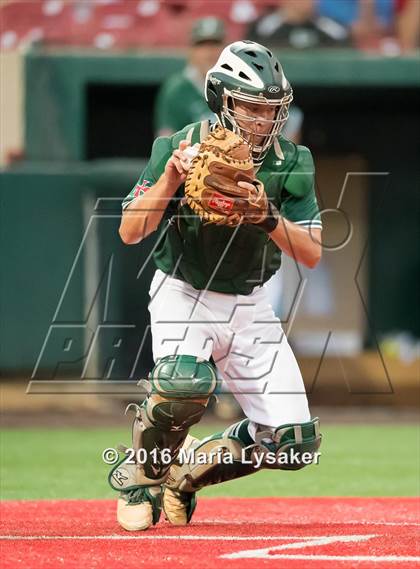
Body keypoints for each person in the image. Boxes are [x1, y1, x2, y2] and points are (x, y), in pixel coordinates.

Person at [109, 40, 323, 531]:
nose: (264, 121)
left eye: (272, 110)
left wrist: (265, 216)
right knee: (184, 386)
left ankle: (186, 474)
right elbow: (129, 231)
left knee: (294, 443)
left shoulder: (294, 160)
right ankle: (144, 471)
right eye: (251, 107)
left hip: (250, 299)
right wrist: (168, 180)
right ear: (222, 100)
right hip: (184, 288)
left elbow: (310, 251)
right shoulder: (180, 146)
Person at [154, 17, 225, 137]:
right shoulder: (177, 88)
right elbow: (166, 140)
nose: (209, 52)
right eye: (202, 45)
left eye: (215, 44)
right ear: (191, 50)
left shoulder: (235, 84)